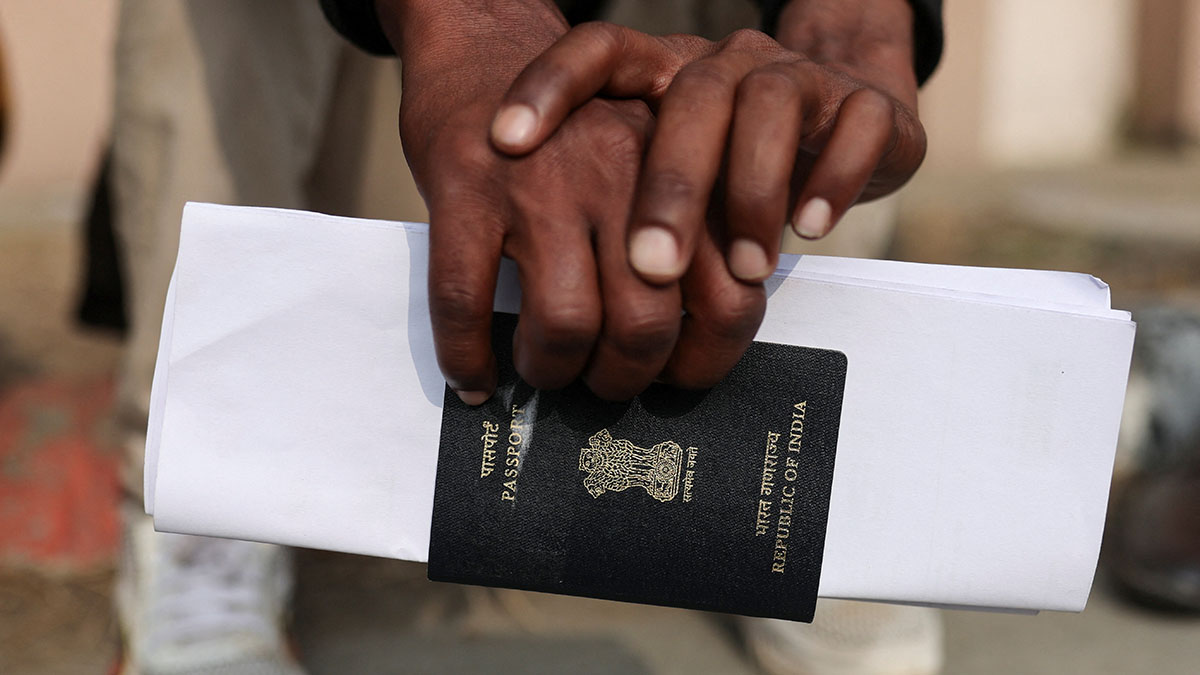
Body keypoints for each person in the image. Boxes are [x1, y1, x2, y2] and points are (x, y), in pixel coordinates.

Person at [111, 0, 944, 673]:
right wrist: (468, 16)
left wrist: (862, 24)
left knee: (800, 97)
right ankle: (208, 491)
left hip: (668, 39)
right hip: (382, 92)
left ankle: (805, 497)